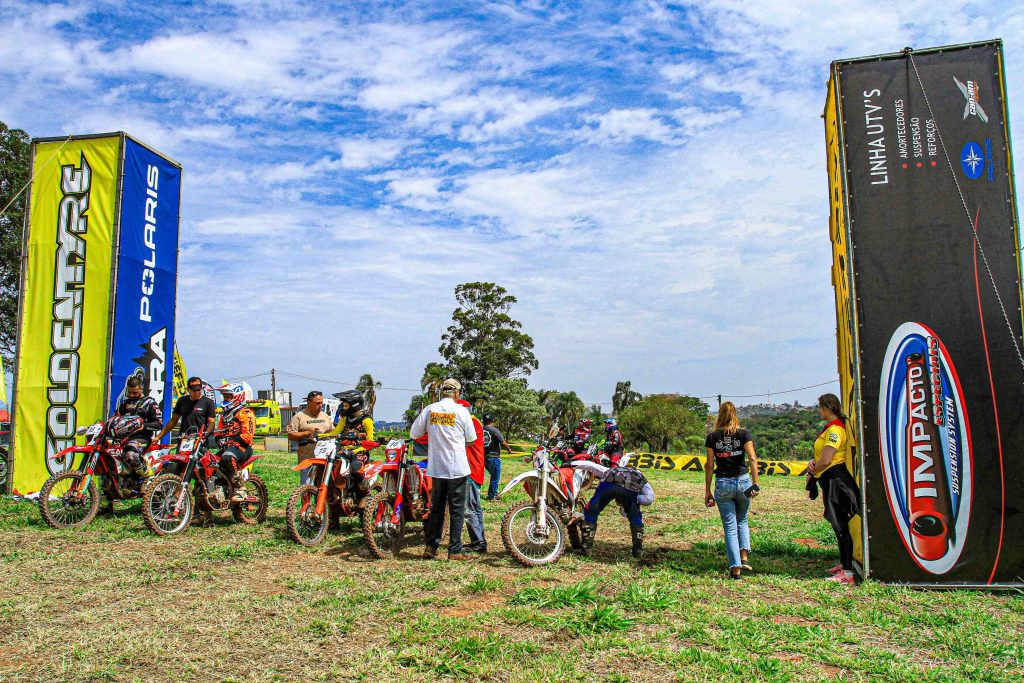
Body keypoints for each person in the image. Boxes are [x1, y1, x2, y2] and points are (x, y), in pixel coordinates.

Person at [409, 378, 478, 561]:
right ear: (457, 393)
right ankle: (454, 550)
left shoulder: (430, 409)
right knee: (456, 510)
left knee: (436, 509)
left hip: (436, 467)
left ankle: (431, 548)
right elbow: (471, 438)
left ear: (441, 392)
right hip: (457, 468)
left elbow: (414, 433)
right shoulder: (462, 411)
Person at [808, 393, 861, 585]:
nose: (819, 410)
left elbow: (827, 459)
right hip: (830, 479)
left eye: (821, 407)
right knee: (837, 525)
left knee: (840, 525)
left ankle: (847, 572)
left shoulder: (835, 430)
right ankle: (843, 563)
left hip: (836, 480)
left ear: (828, 408)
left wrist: (814, 471)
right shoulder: (832, 428)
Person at [704, 401, 761, 580]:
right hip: (744, 482)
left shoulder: (712, 437)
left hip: (723, 483)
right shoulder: (744, 434)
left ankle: (735, 570)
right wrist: (755, 482)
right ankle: (744, 557)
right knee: (742, 519)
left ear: (719, 416)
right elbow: (752, 458)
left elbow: (709, 465)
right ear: (735, 415)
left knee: (730, 527)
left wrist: (707, 490)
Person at [573, 459, 654, 558]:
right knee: (635, 516)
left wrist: (569, 464)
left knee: (591, 511)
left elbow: (590, 465)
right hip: (630, 488)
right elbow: (649, 499)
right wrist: (635, 500)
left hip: (608, 483)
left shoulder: (611, 469)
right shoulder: (641, 477)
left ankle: (586, 548)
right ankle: (638, 550)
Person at [319, 389, 376, 492]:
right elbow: (335, 432)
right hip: (344, 451)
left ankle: (364, 492)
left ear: (354, 406)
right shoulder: (345, 419)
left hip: (360, 452)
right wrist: (319, 436)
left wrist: (354, 451)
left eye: (345, 406)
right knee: (331, 465)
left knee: (355, 469)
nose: (343, 408)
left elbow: (370, 442)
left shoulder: (366, 420)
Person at [112, 376, 163, 478]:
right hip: (123, 438)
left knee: (130, 455)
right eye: (129, 392)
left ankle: (146, 477)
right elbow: (116, 419)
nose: (131, 395)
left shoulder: (150, 403)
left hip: (141, 438)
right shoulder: (124, 403)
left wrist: (143, 426)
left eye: (135, 392)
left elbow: (159, 424)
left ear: (141, 388)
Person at [216, 384, 256, 502]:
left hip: (243, 447)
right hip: (228, 448)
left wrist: (231, 440)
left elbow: (248, 435)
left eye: (229, 397)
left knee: (228, 457)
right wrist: (217, 439)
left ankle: (240, 488)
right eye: (224, 397)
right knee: (208, 463)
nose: (226, 400)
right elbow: (218, 432)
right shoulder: (224, 415)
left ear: (237, 397)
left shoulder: (245, 413)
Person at [286, 391, 335, 485]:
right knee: (306, 488)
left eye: (321, 403)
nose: (320, 406)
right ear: (309, 402)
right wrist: (307, 433)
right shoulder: (299, 417)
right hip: (307, 459)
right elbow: (290, 435)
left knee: (323, 490)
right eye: (317, 403)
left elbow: (332, 432)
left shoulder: (325, 416)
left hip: (324, 460)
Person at [458, 399, 487, 553]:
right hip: (473, 470)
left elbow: (460, 440)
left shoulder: (472, 423)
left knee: (468, 508)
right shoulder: (473, 422)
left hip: (470, 470)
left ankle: (478, 542)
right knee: (475, 507)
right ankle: (480, 540)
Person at [154, 376, 217, 444]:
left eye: (199, 390)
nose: (197, 393)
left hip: (200, 441)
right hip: (183, 439)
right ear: (188, 389)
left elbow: (212, 422)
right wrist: (158, 437)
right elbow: (173, 421)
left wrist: (205, 434)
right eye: (194, 391)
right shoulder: (182, 400)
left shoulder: (208, 402)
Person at [482, 414, 512, 500]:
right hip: (494, 457)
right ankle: (492, 496)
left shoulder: (481, 430)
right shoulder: (494, 430)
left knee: (493, 476)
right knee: (495, 477)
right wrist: (508, 449)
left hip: (484, 458)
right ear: (492, 421)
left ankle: (493, 493)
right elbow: (502, 442)